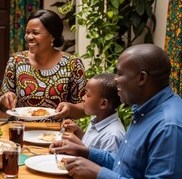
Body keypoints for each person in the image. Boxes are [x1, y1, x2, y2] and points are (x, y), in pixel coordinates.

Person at [51, 44, 182, 178]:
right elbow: (125, 164)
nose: (115, 79)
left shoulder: (168, 127)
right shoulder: (144, 110)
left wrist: (98, 173)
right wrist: (85, 152)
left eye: (120, 74)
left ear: (141, 78)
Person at [0, 9, 86, 119]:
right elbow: (2, 105)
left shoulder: (73, 64)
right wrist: (5, 100)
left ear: (52, 36)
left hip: (57, 132)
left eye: (35, 33)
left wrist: (70, 108)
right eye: (27, 32)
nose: (29, 37)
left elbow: (84, 107)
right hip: (20, 131)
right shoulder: (16, 60)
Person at [62, 73, 125, 153]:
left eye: (87, 95)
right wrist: (78, 132)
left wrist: (79, 147)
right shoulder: (98, 119)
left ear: (103, 104)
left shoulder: (112, 136)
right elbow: (91, 145)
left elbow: (107, 164)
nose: (83, 98)